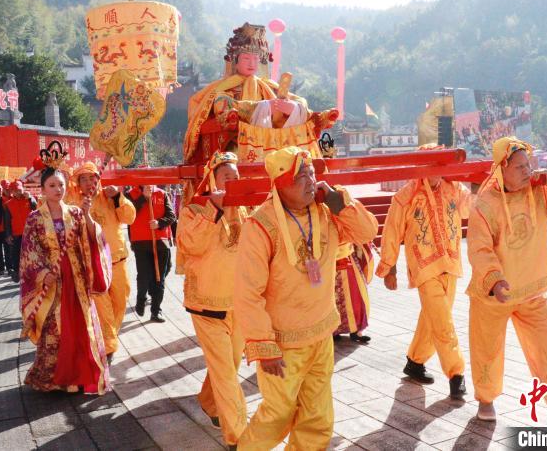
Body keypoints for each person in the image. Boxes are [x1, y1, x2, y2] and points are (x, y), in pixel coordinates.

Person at [234, 147, 378, 450]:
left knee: (318, 419)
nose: (311, 181)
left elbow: (366, 232)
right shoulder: (260, 225)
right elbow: (248, 293)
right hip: (283, 343)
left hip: (321, 335)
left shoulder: (327, 211)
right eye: (301, 176)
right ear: (280, 183)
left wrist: (341, 203)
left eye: (312, 173)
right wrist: (263, 345)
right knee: (277, 416)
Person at [466, 136, 547, 424]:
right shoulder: (484, 203)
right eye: (520, 166)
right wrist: (494, 280)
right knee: (487, 350)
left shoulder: (539, 191)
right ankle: (486, 399)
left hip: (532, 291)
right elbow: (479, 249)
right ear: (502, 168)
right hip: (494, 295)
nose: (527, 171)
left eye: (529, 165)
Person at [376, 144, 471, 399]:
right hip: (424, 267)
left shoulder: (454, 189)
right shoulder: (406, 196)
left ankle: (415, 362)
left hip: (451, 263)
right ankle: (456, 373)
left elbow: (470, 209)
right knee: (443, 322)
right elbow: (392, 231)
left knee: (434, 317)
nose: (435, 171)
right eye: (430, 165)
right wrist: (389, 267)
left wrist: (473, 183)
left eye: (439, 165)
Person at [19, 163, 112, 394]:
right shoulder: (34, 219)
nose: (57, 189)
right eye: (52, 185)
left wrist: (87, 215)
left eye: (61, 185)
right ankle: (56, 378)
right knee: (55, 327)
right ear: (42, 189)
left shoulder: (76, 212)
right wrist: (43, 273)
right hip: (52, 282)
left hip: (76, 278)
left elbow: (91, 240)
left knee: (80, 326)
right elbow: (29, 251)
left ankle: (80, 376)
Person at [178, 151, 248, 449]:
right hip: (207, 305)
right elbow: (190, 244)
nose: (232, 182)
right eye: (226, 177)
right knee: (226, 375)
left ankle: (208, 401)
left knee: (230, 366)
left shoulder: (246, 208)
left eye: (236, 177)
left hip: (239, 303)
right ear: (212, 181)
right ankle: (239, 436)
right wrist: (213, 210)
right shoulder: (194, 208)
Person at [67, 163, 136, 362]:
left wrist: (118, 197)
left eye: (92, 178)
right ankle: (107, 347)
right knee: (103, 309)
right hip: (93, 265)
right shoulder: (74, 201)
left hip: (117, 261)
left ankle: (109, 336)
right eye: (83, 179)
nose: (89, 182)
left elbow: (129, 218)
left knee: (120, 302)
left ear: (98, 179)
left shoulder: (110, 196)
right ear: (78, 183)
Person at [127, 184, 176, 323]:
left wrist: (159, 223)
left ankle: (156, 310)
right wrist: (143, 198)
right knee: (143, 275)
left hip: (161, 242)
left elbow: (171, 216)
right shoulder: (130, 194)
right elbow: (128, 214)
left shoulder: (162, 193)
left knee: (159, 278)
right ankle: (141, 299)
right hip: (140, 241)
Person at [332, 242, 374, 343]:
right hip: (329, 256)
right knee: (332, 296)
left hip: (348, 254)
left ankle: (356, 330)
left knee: (356, 295)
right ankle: (333, 330)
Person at [4, 181, 37, 283]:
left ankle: (34, 271)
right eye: (15, 190)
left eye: (19, 190)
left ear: (23, 189)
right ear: (12, 192)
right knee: (16, 254)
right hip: (16, 233)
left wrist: (30, 198)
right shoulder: (8, 204)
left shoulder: (29, 199)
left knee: (32, 253)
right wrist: (8, 234)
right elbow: (7, 221)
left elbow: (36, 207)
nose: (18, 192)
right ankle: (17, 272)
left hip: (30, 232)